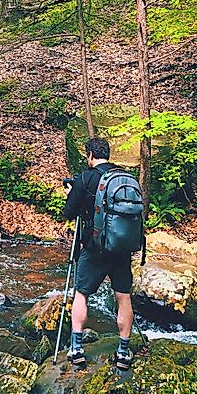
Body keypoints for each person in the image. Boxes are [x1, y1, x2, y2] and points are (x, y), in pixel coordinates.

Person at [62, 137, 135, 370]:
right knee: (123, 296)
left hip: (94, 248)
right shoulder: (125, 178)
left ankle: (76, 348)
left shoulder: (86, 177)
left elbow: (69, 213)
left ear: (91, 155)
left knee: (82, 294)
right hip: (122, 249)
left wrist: (73, 192)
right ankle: (123, 352)